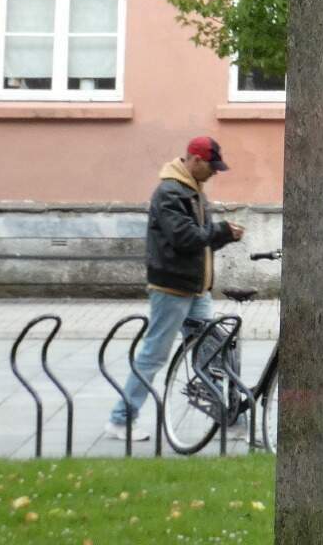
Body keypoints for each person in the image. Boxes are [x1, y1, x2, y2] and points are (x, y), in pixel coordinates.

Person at [105, 135, 244, 440]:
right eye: (211, 166)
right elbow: (185, 238)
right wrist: (218, 231)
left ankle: (225, 418)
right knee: (154, 354)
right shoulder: (170, 193)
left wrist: (224, 236)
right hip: (171, 289)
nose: (215, 172)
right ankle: (120, 419)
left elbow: (200, 241)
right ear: (195, 160)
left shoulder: (194, 192)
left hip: (196, 290)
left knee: (210, 351)